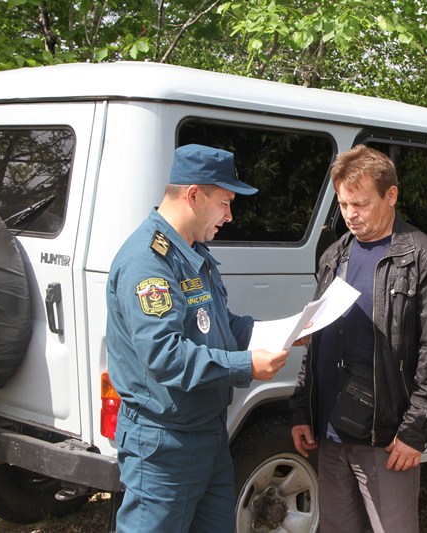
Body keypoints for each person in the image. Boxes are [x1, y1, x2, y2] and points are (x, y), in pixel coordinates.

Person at [106, 144, 290, 533]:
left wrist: (286, 332)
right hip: (163, 442)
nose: (229, 215)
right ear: (193, 195)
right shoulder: (148, 261)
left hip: (207, 433)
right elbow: (165, 355)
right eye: (225, 202)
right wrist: (247, 364)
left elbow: (216, 326)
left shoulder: (193, 253)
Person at [289, 144, 427, 532]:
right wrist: (302, 411)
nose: (351, 214)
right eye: (344, 204)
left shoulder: (424, 259)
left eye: (361, 204)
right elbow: (314, 341)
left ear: (391, 195)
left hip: (386, 437)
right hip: (330, 432)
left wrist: (415, 432)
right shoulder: (334, 256)